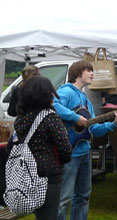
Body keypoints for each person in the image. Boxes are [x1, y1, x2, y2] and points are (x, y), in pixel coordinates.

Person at [53, 60, 117, 220]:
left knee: (83, 196)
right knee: (64, 198)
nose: (93, 73)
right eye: (89, 70)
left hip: (85, 152)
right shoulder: (67, 92)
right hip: (70, 154)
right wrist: (75, 117)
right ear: (78, 73)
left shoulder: (85, 99)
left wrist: (113, 124)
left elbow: (92, 129)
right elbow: (53, 105)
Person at [6, 76, 72, 220]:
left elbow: (10, 146)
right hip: (48, 176)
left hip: (24, 178)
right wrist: (60, 163)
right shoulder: (50, 117)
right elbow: (65, 150)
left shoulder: (21, 118)